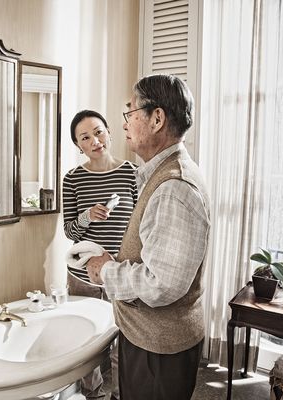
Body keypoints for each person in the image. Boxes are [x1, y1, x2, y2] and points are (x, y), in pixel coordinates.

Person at [85, 74, 211, 400]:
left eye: (130, 112)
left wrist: (106, 271)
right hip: (151, 342)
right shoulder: (161, 174)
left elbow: (162, 283)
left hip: (159, 350)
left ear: (157, 118)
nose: (124, 122)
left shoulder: (174, 186)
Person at [63, 110, 138, 400]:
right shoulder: (72, 179)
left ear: (109, 132)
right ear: (78, 145)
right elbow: (69, 232)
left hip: (122, 274)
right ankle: (92, 395)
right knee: (83, 346)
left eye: (98, 132)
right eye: (85, 137)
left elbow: (141, 224)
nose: (95, 140)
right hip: (83, 278)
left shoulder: (131, 172)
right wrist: (87, 217)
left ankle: (120, 395)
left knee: (123, 347)